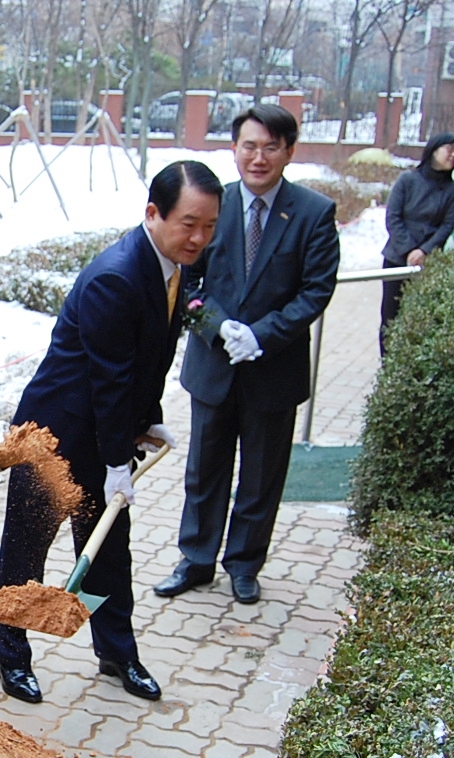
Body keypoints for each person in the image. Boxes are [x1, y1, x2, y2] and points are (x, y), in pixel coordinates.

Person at [0, 162, 223, 705]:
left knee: (108, 551)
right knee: (27, 552)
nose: (198, 237)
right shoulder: (117, 276)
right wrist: (120, 460)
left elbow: (147, 360)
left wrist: (148, 419)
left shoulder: (172, 265)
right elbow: (110, 378)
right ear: (153, 213)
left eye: (209, 226)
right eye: (189, 223)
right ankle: (11, 656)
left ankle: (117, 652)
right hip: (54, 434)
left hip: (106, 425)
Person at [155, 104, 339, 606]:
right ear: (234, 149)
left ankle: (244, 563)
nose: (258, 157)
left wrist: (261, 335)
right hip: (214, 365)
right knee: (204, 470)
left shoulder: (313, 213)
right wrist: (217, 328)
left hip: (273, 367)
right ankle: (195, 559)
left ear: (289, 151)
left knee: (261, 474)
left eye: (270, 147)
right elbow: (186, 278)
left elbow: (315, 290)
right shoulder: (214, 205)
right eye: (249, 146)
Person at [379, 132, 454, 349]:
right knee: (390, 317)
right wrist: (409, 250)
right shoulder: (408, 180)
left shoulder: (453, 189)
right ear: (434, 150)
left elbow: (447, 225)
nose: (453, 155)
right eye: (448, 149)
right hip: (397, 258)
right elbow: (393, 217)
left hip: (427, 261)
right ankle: (388, 365)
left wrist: (424, 251)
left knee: (419, 318)